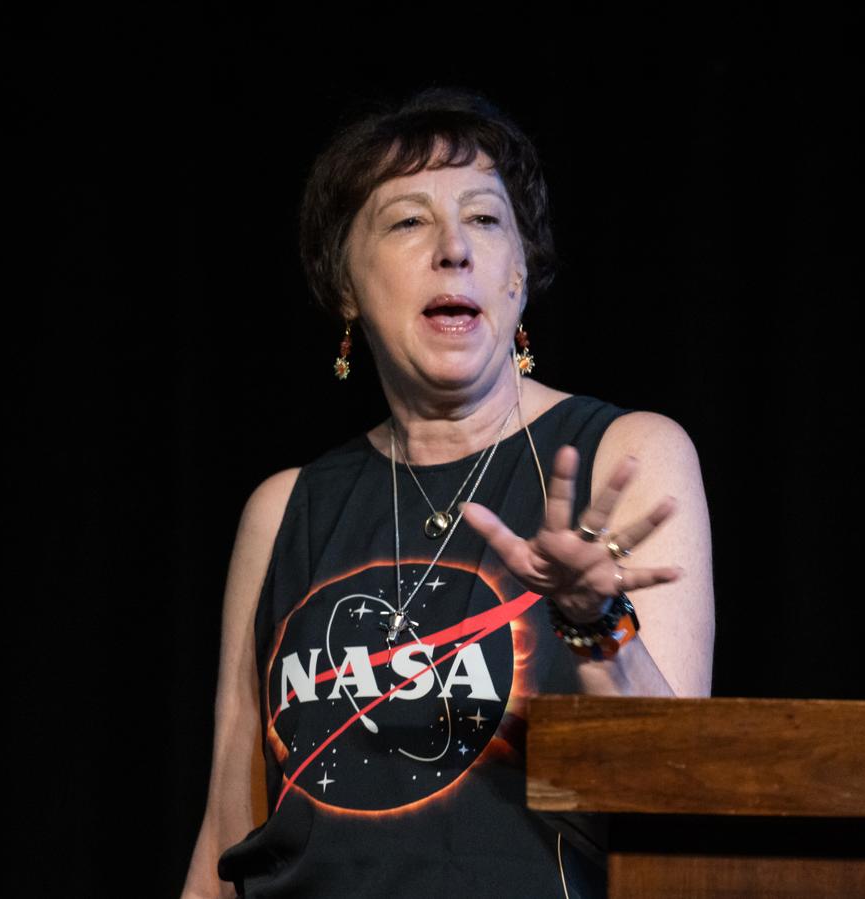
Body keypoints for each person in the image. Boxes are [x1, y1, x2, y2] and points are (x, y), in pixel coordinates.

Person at [180, 86, 714, 899]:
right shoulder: (285, 508)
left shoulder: (623, 455)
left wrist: (596, 624)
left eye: (486, 220)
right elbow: (229, 828)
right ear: (345, 286)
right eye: (406, 221)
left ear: (520, 276)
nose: (454, 248)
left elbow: (681, 794)